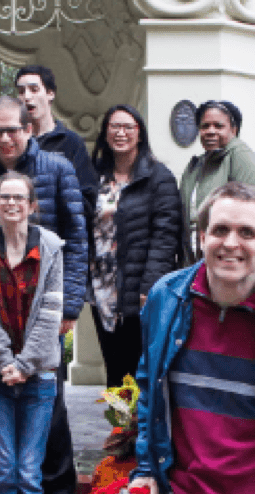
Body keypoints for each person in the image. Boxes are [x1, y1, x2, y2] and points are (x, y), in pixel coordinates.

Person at [128, 181, 255, 494]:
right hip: (184, 491)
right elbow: (149, 390)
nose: (230, 243)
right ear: (202, 237)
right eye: (220, 230)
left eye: (247, 233)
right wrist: (146, 469)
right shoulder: (166, 299)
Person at [0, 95, 86, 494]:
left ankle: (55, 491)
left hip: (43, 312)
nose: (6, 137)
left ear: (28, 129)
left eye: (13, 129)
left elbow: (76, 239)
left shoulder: (57, 169)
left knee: (49, 416)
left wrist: (69, 305)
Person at [15, 63, 95, 494]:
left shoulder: (69, 147)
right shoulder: (9, 148)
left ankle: (59, 484)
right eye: (21, 89)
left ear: (50, 94)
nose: (27, 96)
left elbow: (81, 212)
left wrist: (70, 300)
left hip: (50, 282)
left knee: (50, 389)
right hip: (10, 287)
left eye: (34, 88)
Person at [0, 172, 63, 494]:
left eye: (19, 197)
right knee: (4, 472)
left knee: (29, 473)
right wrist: (5, 362)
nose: (11, 203)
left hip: (39, 372)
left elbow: (51, 313)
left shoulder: (51, 247)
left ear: (32, 205)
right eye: (4, 197)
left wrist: (24, 365)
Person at [89, 105, 182, 388]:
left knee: (139, 366)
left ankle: (141, 418)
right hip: (102, 287)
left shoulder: (159, 177)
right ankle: (117, 417)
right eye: (114, 126)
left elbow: (165, 236)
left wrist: (149, 285)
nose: (121, 133)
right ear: (105, 133)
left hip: (139, 287)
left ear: (139, 133)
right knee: (114, 365)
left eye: (128, 127)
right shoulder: (94, 175)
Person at [179, 100, 255, 264]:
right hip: (202, 261)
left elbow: (253, 209)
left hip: (236, 261)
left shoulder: (239, 155)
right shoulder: (196, 166)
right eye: (205, 126)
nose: (210, 131)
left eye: (218, 126)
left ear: (233, 130)